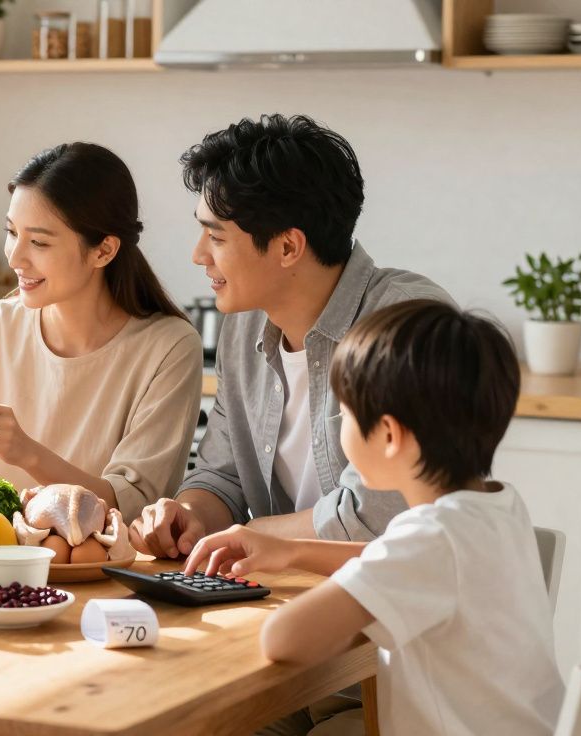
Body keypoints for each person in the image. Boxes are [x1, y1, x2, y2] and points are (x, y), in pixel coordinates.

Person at [184, 300, 564, 736]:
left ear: (387, 435)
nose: (340, 426)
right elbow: (400, 562)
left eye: (342, 413)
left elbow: (283, 639)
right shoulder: (494, 507)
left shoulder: (430, 540)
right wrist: (291, 551)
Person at [131, 113, 452, 559]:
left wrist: (255, 534)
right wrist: (189, 514)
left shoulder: (408, 325)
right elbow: (223, 476)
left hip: (394, 611)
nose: (197, 254)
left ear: (287, 247)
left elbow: (377, 514)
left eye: (215, 236)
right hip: (284, 594)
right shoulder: (244, 328)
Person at [0, 142, 203, 520]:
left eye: (38, 242)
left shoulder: (169, 348)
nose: (14, 257)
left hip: (105, 574)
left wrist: (26, 453)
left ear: (103, 251)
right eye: (11, 232)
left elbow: (133, 507)